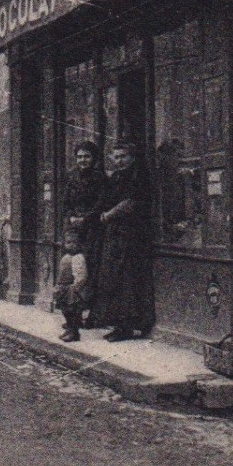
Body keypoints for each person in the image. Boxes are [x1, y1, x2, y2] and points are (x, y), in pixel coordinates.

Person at [96, 141, 157, 342]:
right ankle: (118, 324)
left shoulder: (138, 175)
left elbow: (130, 203)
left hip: (132, 234)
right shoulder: (116, 177)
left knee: (127, 279)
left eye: (123, 156)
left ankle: (128, 326)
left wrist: (108, 215)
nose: (119, 160)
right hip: (115, 233)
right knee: (113, 278)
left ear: (132, 157)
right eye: (116, 157)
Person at [61, 140, 108, 327]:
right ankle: (75, 315)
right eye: (80, 156)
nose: (83, 160)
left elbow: (102, 203)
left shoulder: (100, 178)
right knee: (73, 271)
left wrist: (86, 218)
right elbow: (65, 203)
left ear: (94, 158)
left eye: (87, 156)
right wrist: (71, 217)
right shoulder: (71, 177)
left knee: (90, 271)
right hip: (74, 232)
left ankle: (93, 315)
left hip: (93, 230)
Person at [53, 223, 90, 342]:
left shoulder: (79, 258)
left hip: (73, 290)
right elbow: (62, 274)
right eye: (68, 242)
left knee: (73, 311)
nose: (71, 245)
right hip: (64, 289)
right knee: (65, 311)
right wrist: (58, 286)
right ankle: (69, 329)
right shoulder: (66, 257)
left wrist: (76, 287)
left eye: (74, 243)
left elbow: (81, 275)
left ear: (80, 244)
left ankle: (74, 332)